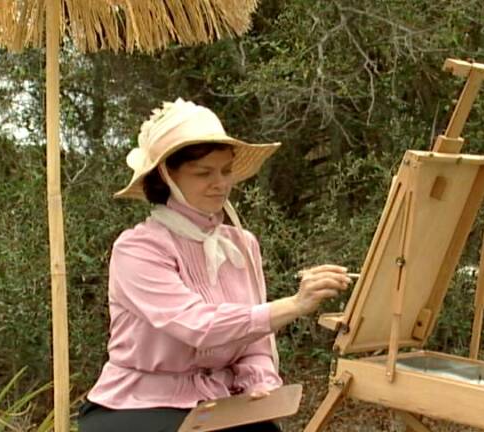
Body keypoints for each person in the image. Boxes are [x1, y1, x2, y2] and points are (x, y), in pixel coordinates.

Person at [78, 98, 351, 432]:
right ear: (167, 177)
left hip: (216, 402)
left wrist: (260, 385)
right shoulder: (137, 248)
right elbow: (197, 326)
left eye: (225, 171)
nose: (220, 183)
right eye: (203, 173)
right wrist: (295, 305)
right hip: (136, 403)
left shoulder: (242, 245)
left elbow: (255, 344)